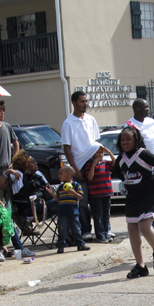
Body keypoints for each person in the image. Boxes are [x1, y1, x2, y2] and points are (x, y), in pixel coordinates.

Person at [112, 126, 154, 278]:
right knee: (132, 229)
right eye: (122, 139)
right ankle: (140, 265)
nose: (125, 142)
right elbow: (115, 171)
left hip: (148, 195)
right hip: (132, 198)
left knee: (144, 226)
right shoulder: (122, 157)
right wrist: (125, 180)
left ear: (136, 140)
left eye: (128, 139)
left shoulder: (142, 154)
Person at [61, 91, 101, 241]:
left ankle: (103, 230)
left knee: (98, 198)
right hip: (79, 165)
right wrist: (75, 170)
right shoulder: (68, 123)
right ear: (74, 103)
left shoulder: (91, 120)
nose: (85, 104)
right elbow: (67, 149)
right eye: (82, 101)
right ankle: (86, 230)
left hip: (93, 162)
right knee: (82, 201)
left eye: (86, 101)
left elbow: (96, 143)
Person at [47, 166, 90, 254]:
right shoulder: (60, 187)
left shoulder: (76, 185)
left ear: (69, 174)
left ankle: (80, 244)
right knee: (62, 229)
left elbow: (81, 197)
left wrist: (73, 192)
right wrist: (52, 193)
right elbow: (59, 200)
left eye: (61, 173)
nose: (59, 176)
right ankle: (61, 246)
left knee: (76, 229)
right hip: (62, 212)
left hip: (73, 212)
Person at [82, 145, 116, 243]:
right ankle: (100, 235)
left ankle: (106, 232)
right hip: (96, 194)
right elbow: (89, 178)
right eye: (97, 153)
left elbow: (115, 164)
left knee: (106, 214)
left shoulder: (105, 163)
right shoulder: (89, 164)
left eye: (102, 153)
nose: (100, 155)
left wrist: (109, 152)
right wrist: (94, 165)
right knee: (98, 215)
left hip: (106, 192)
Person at [0, 100, 19, 193]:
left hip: (8, 168)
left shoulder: (7, 126)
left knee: (9, 198)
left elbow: (16, 143)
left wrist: (14, 160)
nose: (2, 113)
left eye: (3, 110)